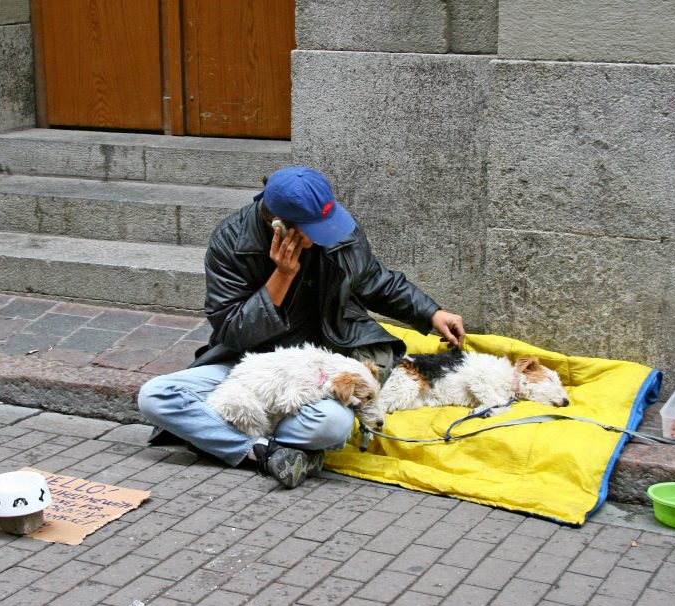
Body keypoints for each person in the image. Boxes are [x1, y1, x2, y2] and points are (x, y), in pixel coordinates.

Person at [138, 166, 465, 489]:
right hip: (246, 366)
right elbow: (232, 331)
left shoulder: (334, 227)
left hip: (315, 372)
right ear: (277, 224)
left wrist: (431, 314)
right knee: (155, 396)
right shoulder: (231, 241)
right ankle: (264, 451)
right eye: (314, 230)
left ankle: (219, 437)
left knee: (333, 426)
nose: (326, 235)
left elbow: (376, 281)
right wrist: (281, 276)